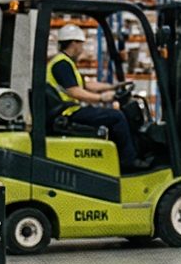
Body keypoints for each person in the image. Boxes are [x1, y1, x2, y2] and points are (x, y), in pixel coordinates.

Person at [45, 24, 144, 169]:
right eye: (81, 44)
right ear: (74, 43)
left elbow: (86, 85)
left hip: (67, 110)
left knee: (114, 116)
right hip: (68, 112)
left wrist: (113, 87)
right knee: (117, 117)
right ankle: (129, 161)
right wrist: (101, 98)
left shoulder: (65, 62)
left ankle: (121, 156)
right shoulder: (62, 64)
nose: (82, 48)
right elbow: (75, 92)